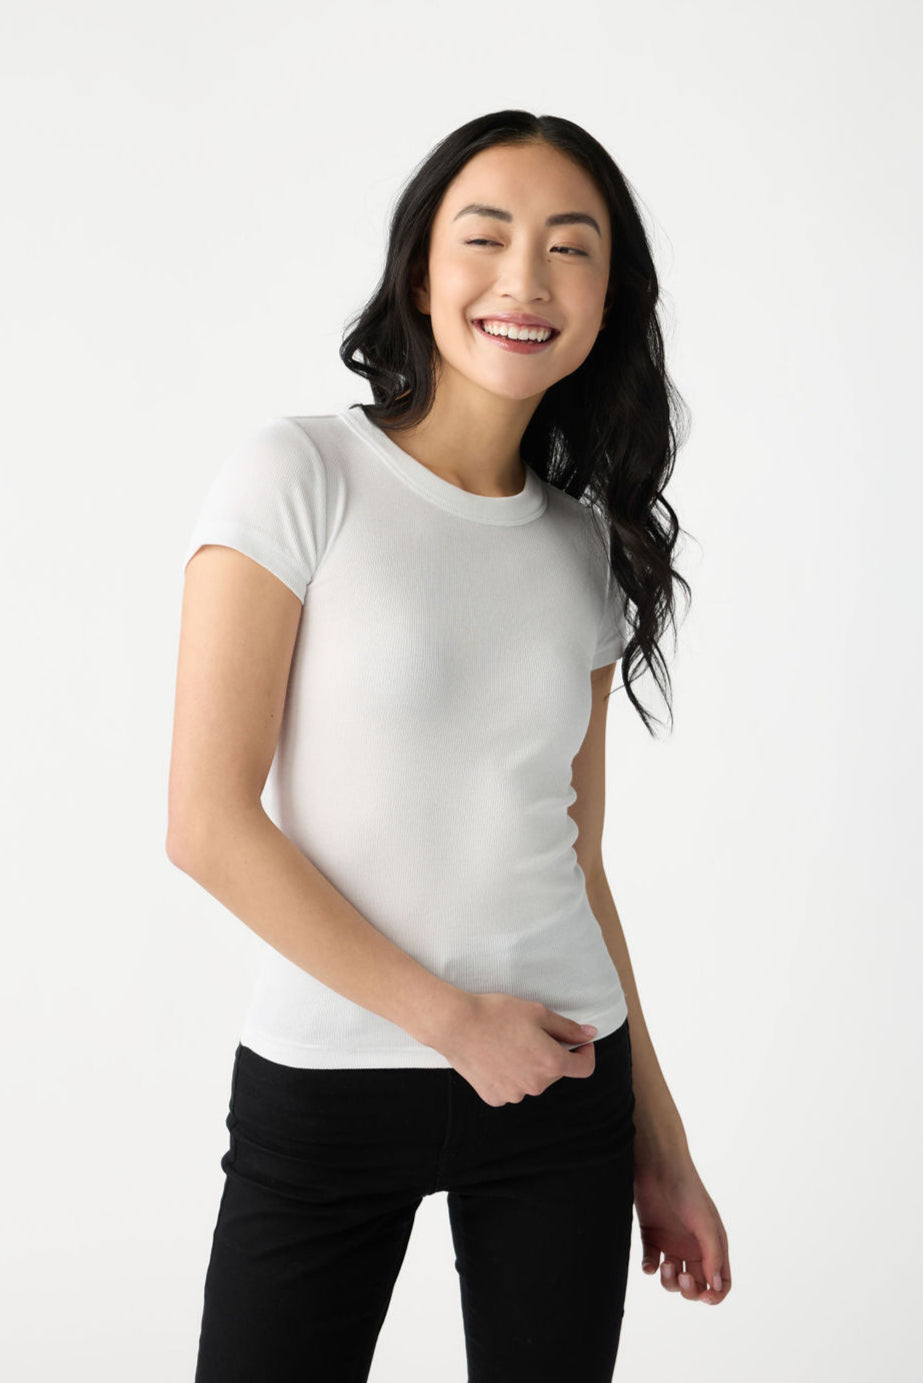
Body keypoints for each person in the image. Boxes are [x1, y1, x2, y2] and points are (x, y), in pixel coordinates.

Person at [167, 109, 732, 1383]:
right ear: (421, 269)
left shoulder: (585, 548)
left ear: (607, 299)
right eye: (485, 236)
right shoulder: (296, 475)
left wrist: (662, 1144)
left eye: (569, 249)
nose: (524, 280)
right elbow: (205, 823)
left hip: (561, 1082)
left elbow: (575, 860)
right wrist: (453, 1025)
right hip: (332, 1076)